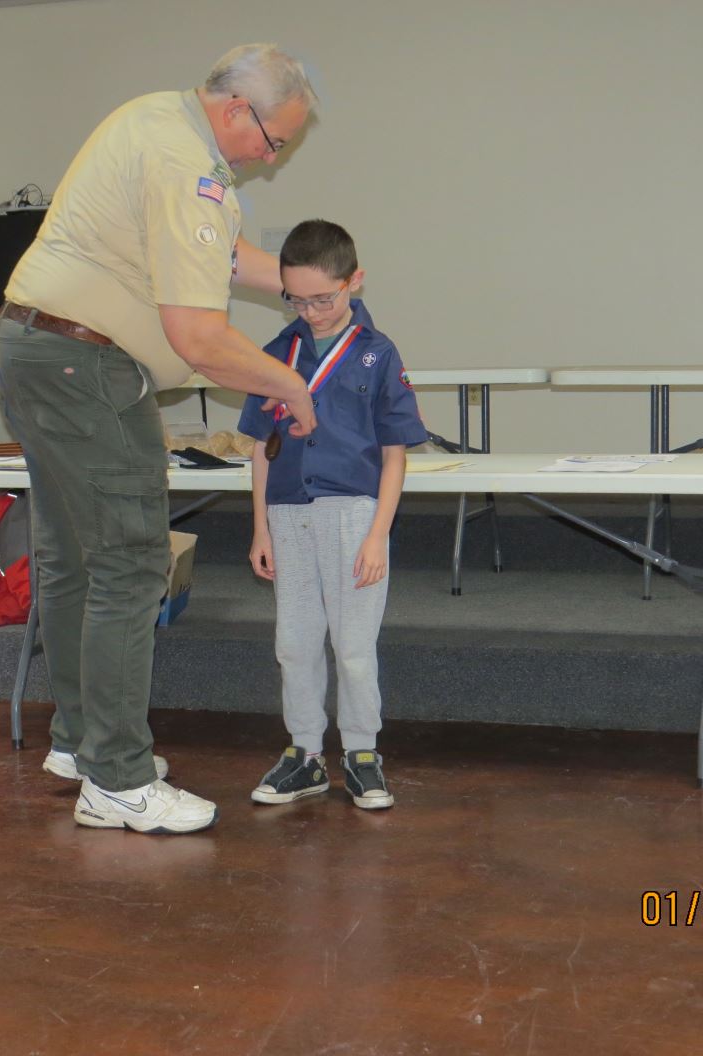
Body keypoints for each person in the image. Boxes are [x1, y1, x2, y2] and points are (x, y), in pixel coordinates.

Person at [0, 45, 319, 835]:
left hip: (34, 346)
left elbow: (214, 252)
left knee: (74, 559)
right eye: (273, 141)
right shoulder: (185, 164)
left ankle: (80, 744)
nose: (269, 159)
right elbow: (199, 339)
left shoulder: (154, 119)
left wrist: (302, 282)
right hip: (86, 367)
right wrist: (290, 386)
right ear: (237, 109)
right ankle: (118, 779)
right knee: (132, 563)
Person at [238, 220, 427, 810]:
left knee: (353, 647)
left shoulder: (378, 353)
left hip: (354, 516)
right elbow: (261, 449)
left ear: (354, 281)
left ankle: (363, 754)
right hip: (288, 513)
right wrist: (260, 528)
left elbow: (394, 454)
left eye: (324, 298)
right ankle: (304, 754)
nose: (312, 312)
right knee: (294, 643)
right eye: (297, 300)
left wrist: (378, 535)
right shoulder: (277, 353)